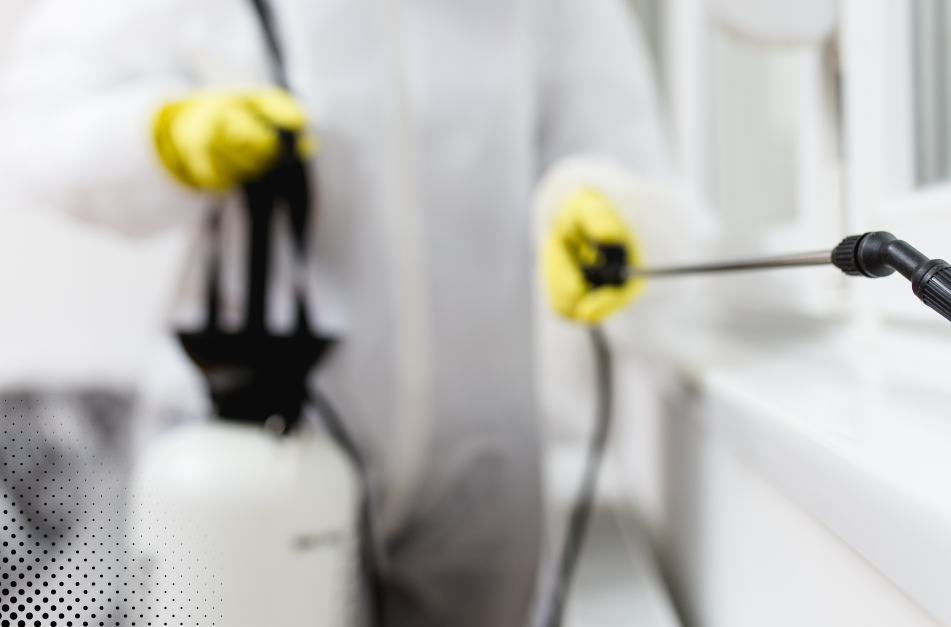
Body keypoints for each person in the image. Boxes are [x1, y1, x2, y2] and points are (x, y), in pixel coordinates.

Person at [0, 0, 664, 625]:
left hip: (483, 466)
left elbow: (616, 137)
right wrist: (163, 136)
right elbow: (40, 122)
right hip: (251, 452)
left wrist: (598, 200)